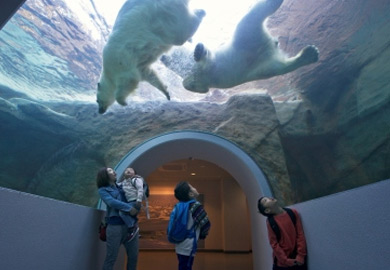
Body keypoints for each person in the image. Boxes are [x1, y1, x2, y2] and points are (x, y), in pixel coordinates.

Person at [97, 167, 139, 270]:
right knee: (111, 258)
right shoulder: (103, 190)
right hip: (115, 227)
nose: (114, 172)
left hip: (131, 226)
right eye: (111, 171)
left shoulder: (123, 186)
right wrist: (129, 208)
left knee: (133, 257)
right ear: (105, 176)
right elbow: (111, 202)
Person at [258, 196, 307, 270]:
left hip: (298, 261)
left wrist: (301, 255)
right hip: (281, 264)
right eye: (265, 200)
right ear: (267, 210)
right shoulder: (271, 222)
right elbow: (274, 244)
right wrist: (285, 260)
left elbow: (300, 235)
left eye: (267, 197)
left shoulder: (292, 213)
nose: (269, 198)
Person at [172, 181, 211, 270]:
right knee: (186, 267)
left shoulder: (179, 206)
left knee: (182, 266)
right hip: (189, 245)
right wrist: (202, 235)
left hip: (179, 244)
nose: (195, 188)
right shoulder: (195, 206)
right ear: (190, 193)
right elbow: (206, 223)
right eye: (192, 187)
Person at [117, 167, 146, 241]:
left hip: (135, 201)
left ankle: (132, 227)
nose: (128, 171)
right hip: (129, 202)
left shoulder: (136, 180)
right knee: (131, 217)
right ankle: (135, 232)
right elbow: (117, 185)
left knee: (122, 212)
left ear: (135, 173)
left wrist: (139, 200)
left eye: (131, 170)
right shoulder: (124, 182)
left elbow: (140, 190)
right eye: (126, 170)